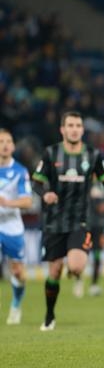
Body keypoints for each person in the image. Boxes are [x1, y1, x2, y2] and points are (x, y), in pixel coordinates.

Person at [32, 111, 104, 331]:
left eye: (78, 125)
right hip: (54, 221)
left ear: (82, 130)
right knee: (54, 271)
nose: (74, 129)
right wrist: (44, 194)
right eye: (70, 125)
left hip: (81, 221)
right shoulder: (51, 153)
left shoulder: (93, 155)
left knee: (75, 266)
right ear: (62, 130)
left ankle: (76, 274)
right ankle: (49, 315)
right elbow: (35, 182)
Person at [0, 129, 33, 325]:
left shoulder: (20, 171)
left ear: (13, 146)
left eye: (8, 141)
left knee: (19, 273)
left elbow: (27, 201)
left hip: (12, 226)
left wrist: (7, 203)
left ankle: (15, 305)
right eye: (1, 141)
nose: (4, 144)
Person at [87, 183, 104, 296]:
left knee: (97, 255)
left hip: (99, 227)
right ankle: (79, 280)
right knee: (81, 254)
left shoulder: (103, 186)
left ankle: (94, 284)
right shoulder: (85, 183)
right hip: (86, 226)